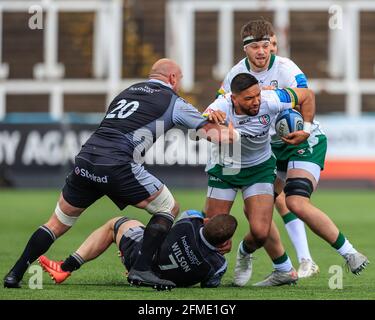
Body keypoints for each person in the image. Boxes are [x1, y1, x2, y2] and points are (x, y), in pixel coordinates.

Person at [3, 58, 238, 290]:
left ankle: (15, 274)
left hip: (87, 158)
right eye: (180, 80)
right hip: (117, 163)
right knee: (169, 208)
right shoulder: (173, 101)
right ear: (173, 78)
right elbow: (217, 136)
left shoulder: (128, 91)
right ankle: (142, 269)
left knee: (57, 223)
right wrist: (232, 126)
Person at [217, 20, 369, 286]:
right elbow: (224, 105)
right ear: (245, 49)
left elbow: (306, 96)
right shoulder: (235, 74)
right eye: (255, 46)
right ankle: (273, 263)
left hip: (302, 141)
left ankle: (349, 253)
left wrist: (306, 129)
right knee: (256, 217)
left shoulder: (286, 69)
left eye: (266, 45)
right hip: (271, 150)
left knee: (296, 202)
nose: (262, 51)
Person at [204, 72, 316, 287]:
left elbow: (307, 95)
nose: (256, 101)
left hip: (259, 168)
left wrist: (307, 130)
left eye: (257, 95)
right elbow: (203, 130)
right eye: (248, 98)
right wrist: (219, 130)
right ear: (233, 98)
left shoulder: (271, 100)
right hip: (226, 168)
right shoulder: (220, 106)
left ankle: (244, 254)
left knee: (261, 232)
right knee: (213, 232)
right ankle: (211, 269)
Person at [38, 211, 238, 289]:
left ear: (207, 222)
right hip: (164, 281)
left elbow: (186, 218)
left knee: (116, 223)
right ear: (225, 242)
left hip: (138, 256)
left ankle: (66, 267)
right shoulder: (219, 265)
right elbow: (209, 284)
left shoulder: (190, 223)